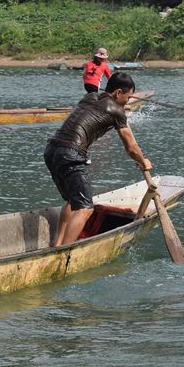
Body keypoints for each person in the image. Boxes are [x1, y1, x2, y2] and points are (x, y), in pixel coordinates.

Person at [44, 72, 151, 246]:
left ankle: (57, 245)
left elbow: (98, 112)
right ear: (118, 93)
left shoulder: (90, 96)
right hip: (71, 154)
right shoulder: (117, 111)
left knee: (73, 201)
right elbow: (131, 147)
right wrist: (143, 161)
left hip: (52, 150)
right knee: (85, 208)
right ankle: (63, 252)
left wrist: (120, 112)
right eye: (128, 96)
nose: (127, 101)